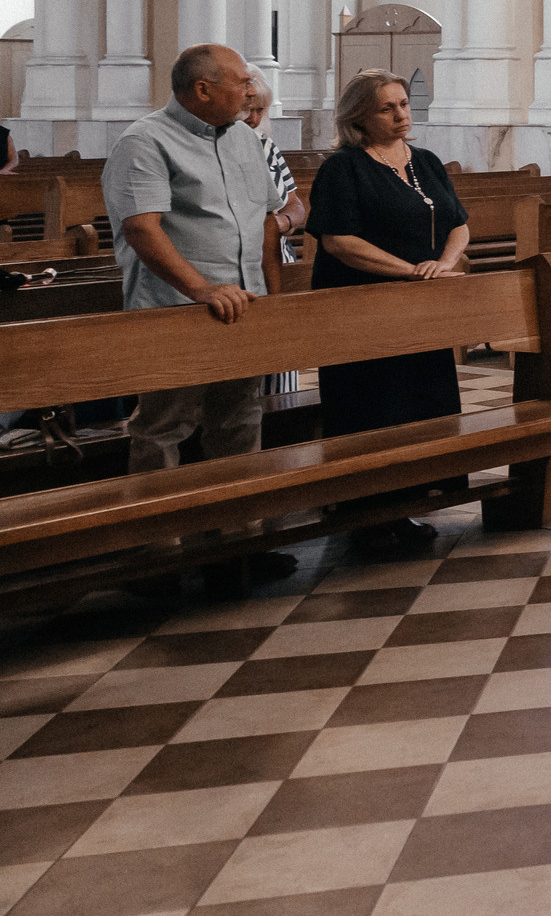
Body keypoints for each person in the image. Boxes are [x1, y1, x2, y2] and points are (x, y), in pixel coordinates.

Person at [101, 43, 294, 585]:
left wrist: (272, 300)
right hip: (174, 310)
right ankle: (158, 554)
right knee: (165, 427)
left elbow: (261, 224)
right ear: (203, 89)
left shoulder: (244, 140)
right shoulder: (145, 141)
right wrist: (200, 288)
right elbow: (143, 227)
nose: (250, 91)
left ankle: (235, 544)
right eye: (239, 82)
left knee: (239, 421)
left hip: (245, 303)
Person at [306, 67, 471, 555]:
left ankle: (407, 503)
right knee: (371, 407)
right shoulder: (344, 168)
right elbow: (338, 240)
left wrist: (442, 265)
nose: (401, 114)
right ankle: (364, 511)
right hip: (361, 308)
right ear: (360, 116)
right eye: (387, 107)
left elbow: (459, 223)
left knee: (421, 402)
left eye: (403, 103)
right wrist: (408, 271)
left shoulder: (426, 160)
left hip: (421, 308)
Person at [241, 68, 307, 264]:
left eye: (259, 110)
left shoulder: (267, 146)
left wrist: (283, 222)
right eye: (246, 110)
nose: (253, 119)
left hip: (279, 256)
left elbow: (294, 204)